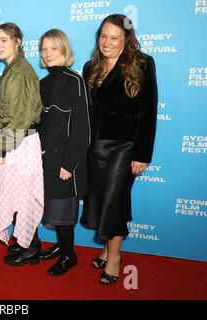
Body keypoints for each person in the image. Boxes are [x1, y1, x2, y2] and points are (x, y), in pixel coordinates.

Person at [80, 14, 158, 284]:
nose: (107, 42)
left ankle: (114, 258)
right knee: (101, 203)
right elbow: (87, 112)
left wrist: (142, 155)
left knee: (114, 203)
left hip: (125, 149)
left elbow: (148, 113)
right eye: (103, 36)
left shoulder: (143, 64)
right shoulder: (90, 67)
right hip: (95, 148)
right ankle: (106, 249)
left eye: (114, 37)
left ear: (127, 40)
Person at [0, 23, 44, 266]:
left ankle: (30, 249)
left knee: (23, 197)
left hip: (18, 143)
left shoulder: (18, 71)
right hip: (17, 141)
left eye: (3, 40)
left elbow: (21, 117)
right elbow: (19, 106)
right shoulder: (14, 69)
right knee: (22, 197)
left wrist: (1, 148)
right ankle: (28, 245)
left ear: (17, 42)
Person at [38, 29, 90, 275]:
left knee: (63, 209)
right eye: (44, 49)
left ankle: (70, 255)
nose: (48, 54)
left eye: (53, 49)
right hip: (46, 159)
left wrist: (69, 164)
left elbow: (82, 129)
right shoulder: (43, 83)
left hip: (65, 162)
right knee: (54, 209)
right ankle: (61, 247)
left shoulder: (74, 80)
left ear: (64, 50)